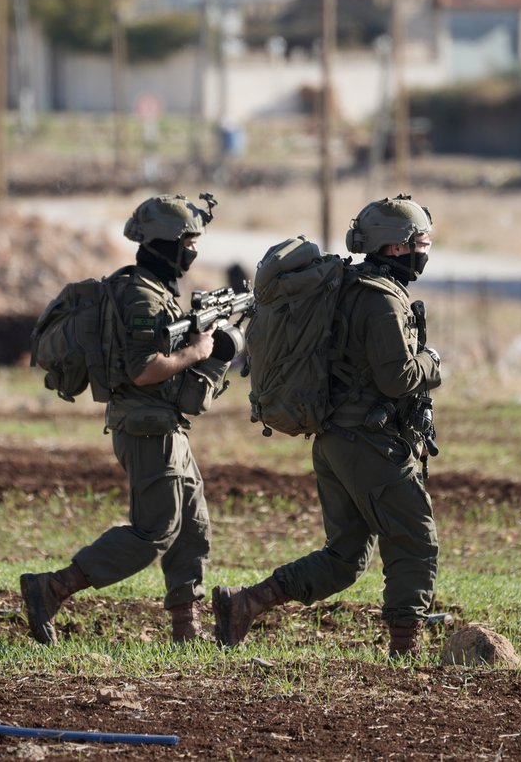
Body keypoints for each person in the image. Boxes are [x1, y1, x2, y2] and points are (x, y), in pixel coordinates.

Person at [213, 194, 442, 658]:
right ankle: (405, 650)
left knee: (345, 558)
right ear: (395, 247)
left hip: (337, 441)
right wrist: (432, 363)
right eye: (419, 242)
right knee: (415, 540)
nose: (424, 250)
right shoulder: (381, 301)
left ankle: (247, 604)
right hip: (371, 445)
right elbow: (398, 378)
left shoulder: (347, 285)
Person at [22, 194, 240, 645]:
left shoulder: (155, 288)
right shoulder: (140, 294)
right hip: (145, 428)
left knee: (192, 526)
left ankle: (186, 626)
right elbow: (144, 370)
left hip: (165, 423)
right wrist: (197, 351)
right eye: (190, 241)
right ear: (166, 243)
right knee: (154, 530)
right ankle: (53, 588)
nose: (195, 250)